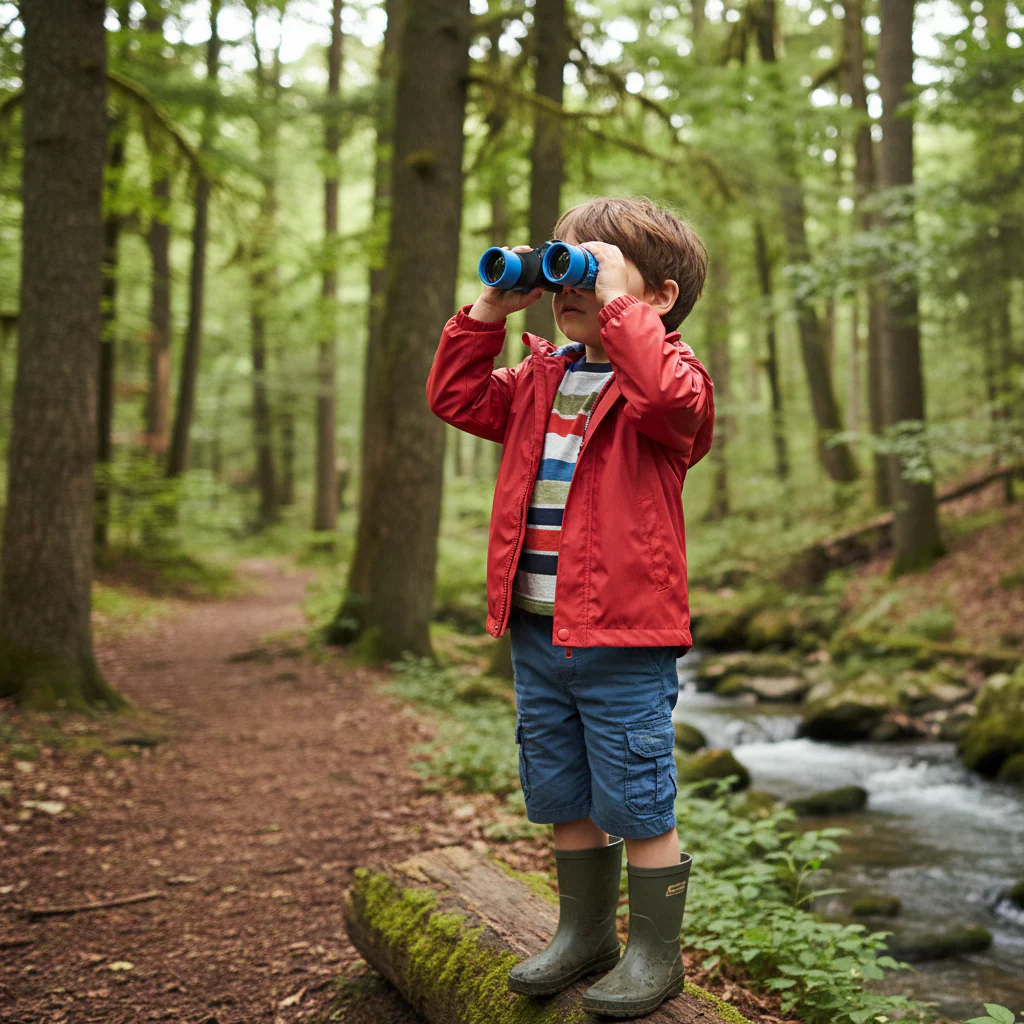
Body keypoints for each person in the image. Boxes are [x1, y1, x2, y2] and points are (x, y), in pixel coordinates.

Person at [426, 196, 714, 1019]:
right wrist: (488, 309)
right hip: (537, 630)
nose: (571, 279)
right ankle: (583, 932)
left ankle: (657, 953)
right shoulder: (538, 379)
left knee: (637, 793)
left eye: (594, 265)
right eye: (563, 263)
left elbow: (661, 396)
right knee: (559, 787)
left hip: (625, 636)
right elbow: (455, 397)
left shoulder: (675, 382)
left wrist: (619, 308)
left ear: (655, 298)